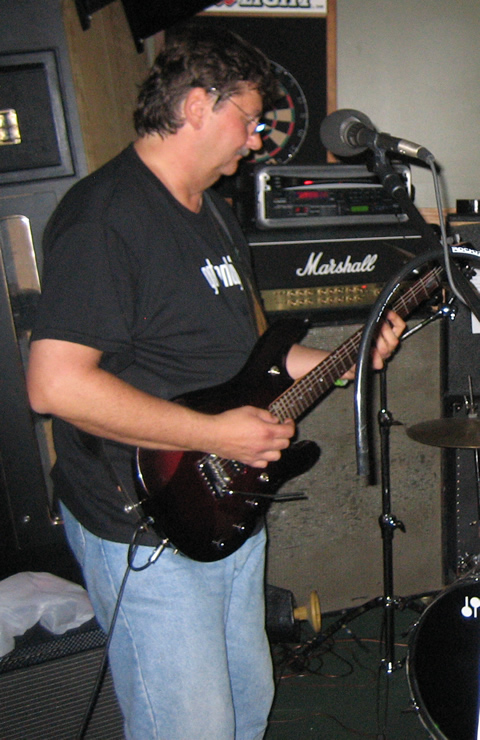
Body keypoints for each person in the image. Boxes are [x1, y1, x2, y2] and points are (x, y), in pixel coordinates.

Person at [26, 20, 405, 740]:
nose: (256, 141)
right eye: (250, 120)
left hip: (225, 504)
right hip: (148, 522)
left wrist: (348, 357)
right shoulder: (107, 216)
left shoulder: (215, 215)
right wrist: (214, 434)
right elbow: (56, 386)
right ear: (199, 104)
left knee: (245, 708)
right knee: (189, 727)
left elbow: (252, 363)